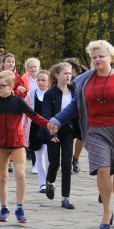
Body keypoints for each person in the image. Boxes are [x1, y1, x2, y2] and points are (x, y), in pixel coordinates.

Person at [47, 40, 114, 229]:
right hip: (95, 131)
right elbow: (75, 106)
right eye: (93, 57)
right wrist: (57, 120)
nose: (97, 60)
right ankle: (106, 211)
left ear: (111, 57)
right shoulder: (83, 80)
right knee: (102, 169)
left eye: (101, 56)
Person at [0, 70, 50, 223]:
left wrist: (49, 124)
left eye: (2, 86)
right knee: (2, 177)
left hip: (17, 143)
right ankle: (4, 207)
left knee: (20, 174)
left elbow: (34, 116)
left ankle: (20, 207)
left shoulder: (18, 102)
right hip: (0, 145)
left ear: (11, 86)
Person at [42, 62, 76, 210]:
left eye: (70, 73)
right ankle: (50, 182)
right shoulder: (50, 94)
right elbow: (46, 115)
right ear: (57, 75)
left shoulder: (75, 91)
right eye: (65, 73)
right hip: (53, 131)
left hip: (68, 131)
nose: (68, 76)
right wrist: (51, 133)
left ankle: (65, 198)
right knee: (54, 162)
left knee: (67, 164)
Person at [64, 57, 88, 173]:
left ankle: (75, 158)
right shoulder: (63, 77)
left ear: (73, 68)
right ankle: (66, 160)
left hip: (80, 111)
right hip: (67, 110)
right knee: (66, 136)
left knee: (81, 136)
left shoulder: (83, 77)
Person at [28, 70, 50, 193]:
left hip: (48, 128)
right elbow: (28, 110)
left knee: (48, 157)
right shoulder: (32, 93)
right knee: (38, 157)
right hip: (35, 128)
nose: (40, 82)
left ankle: (48, 181)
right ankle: (42, 183)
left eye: (43, 80)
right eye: (38, 80)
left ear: (49, 81)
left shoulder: (51, 94)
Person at [21, 57, 41, 174]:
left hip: (43, 111)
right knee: (32, 137)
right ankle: (34, 163)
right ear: (27, 68)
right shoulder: (24, 79)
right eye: (31, 67)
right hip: (30, 110)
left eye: (35, 67)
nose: (33, 69)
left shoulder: (44, 78)